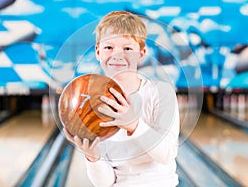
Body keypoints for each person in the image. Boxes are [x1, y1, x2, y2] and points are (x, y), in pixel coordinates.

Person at [63, 11, 180, 187]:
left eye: (127, 48)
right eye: (109, 47)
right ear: (98, 52)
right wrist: (93, 158)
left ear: (141, 53)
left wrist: (133, 124)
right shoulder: (92, 107)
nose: (117, 54)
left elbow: (167, 154)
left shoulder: (161, 92)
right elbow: (106, 183)